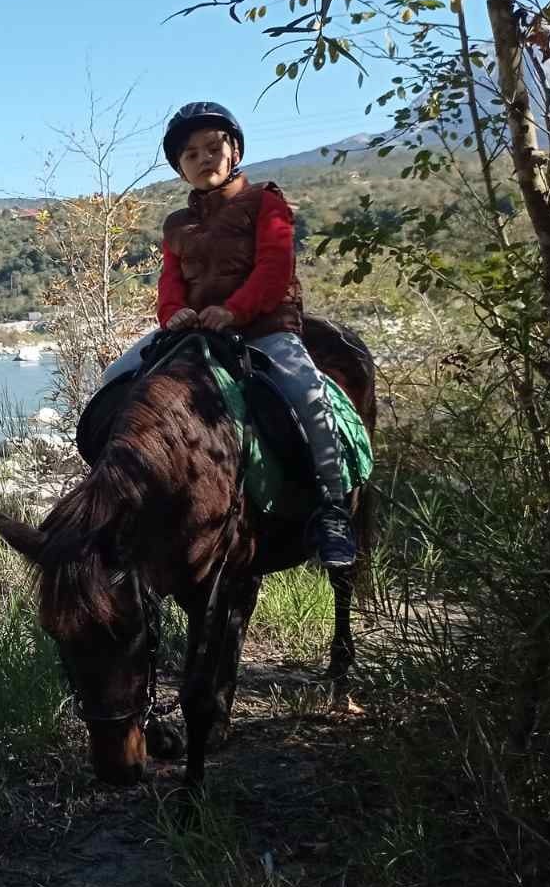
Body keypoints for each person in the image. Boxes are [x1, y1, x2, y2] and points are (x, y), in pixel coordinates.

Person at [98, 101, 357, 567]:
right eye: (191, 153)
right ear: (180, 167)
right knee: (115, 377)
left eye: (213, 147)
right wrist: (174, 313)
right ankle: (116, 501)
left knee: (308, 395)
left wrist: (233, 311)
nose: (203, 158)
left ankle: (333, 508)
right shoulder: (177, 224)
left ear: (233, 151)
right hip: (195, 333)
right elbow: (170, 283)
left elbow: (274, 270)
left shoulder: (265, 202)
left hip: (262, 328)